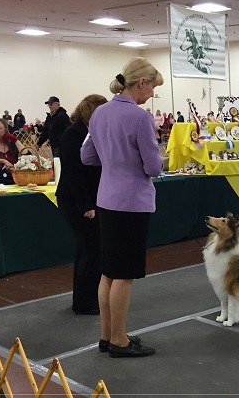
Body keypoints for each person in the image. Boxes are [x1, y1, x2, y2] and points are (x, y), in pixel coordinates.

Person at [81, 57, 164, 358]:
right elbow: (154, 167)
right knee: (125, 274)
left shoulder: (99, 113)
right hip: (132, 203)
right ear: (141, 82)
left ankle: (107, 335)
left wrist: (114, 161)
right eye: (153, 86)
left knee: (108, 272)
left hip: (107, 199)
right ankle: (119, 340)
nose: (153, 93)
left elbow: (87, 156)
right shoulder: (140, 118)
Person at [56, 94, 108, 316]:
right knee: (92, 249)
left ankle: (84, 299)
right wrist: (86, 205)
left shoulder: (93, 133)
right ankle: (86, 302)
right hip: (76, 200)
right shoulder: (73, 134)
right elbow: (74, 173)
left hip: (90, 199)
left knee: (85, 250)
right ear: (90, 111)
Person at [0, 118, 27, 185]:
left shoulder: (11, 144)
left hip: (13, 181)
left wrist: (15, 139)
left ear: (5, 131)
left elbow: (27, 155)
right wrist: (3, 161)